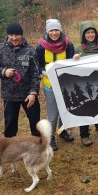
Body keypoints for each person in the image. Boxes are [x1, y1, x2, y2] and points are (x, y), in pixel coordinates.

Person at [0, 21, 41, 138]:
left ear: (21, 35)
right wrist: (3, 72)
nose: (14, 38)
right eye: (11, 35)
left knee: (36, 123)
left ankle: (39, 148)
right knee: (10, 127)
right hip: (9, 95)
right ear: (7, 35)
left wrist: (33, 93)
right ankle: (9, 151)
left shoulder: (30, 50)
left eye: (17, 35)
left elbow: (35, 73)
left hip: (28, 95)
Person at [36, 19, 75, 151]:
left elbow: (70, 62)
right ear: (47, 32)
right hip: (49, 85)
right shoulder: (41, 47)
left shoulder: (68, 45)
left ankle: (62, 131)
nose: (54, 33)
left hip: (65, 83)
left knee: (65, 111)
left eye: (56, 30)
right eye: (51, 30)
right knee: (53, 115)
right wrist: (43, 72)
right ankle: (51, 137)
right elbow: (38, 64)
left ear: (60, 30)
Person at [73, 21, 98, 146]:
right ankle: (84, 134)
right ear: (83, 35)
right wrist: (75, 59)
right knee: (85, 106)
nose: (90, 35)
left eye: (92, 32)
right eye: (88, 32)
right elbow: (72, 66)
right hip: (85, 83)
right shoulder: (78, 49)